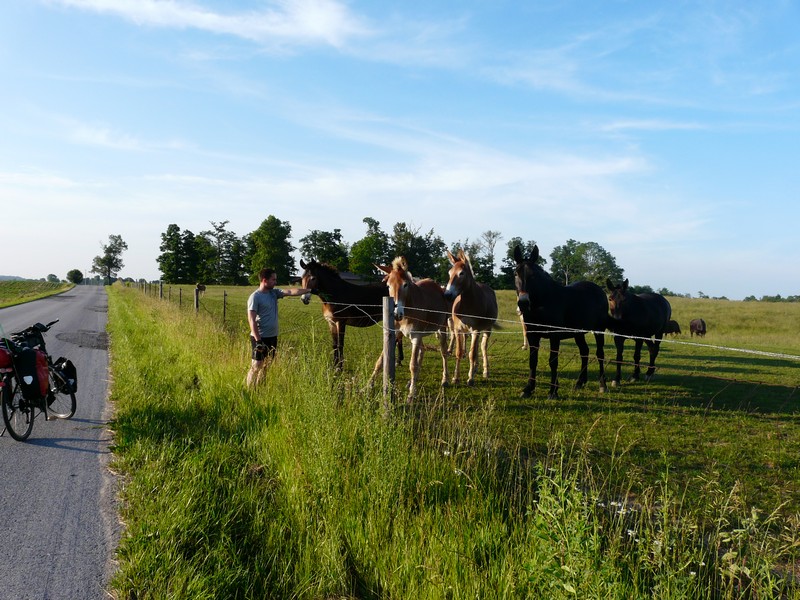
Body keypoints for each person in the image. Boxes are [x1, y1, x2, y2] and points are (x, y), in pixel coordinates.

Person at [246, 267, 311, 387]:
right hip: (260, 337)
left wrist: (308, 290)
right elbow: (251, 320)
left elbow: (290, 292)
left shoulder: (274, 293)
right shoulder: (255, 297)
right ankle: (249, 390)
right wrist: (258, 340)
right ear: (264, 280)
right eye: (273, 279)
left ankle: (260, 389)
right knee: (256, 365)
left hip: (272, 337)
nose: (275, 282)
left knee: (267, 366)